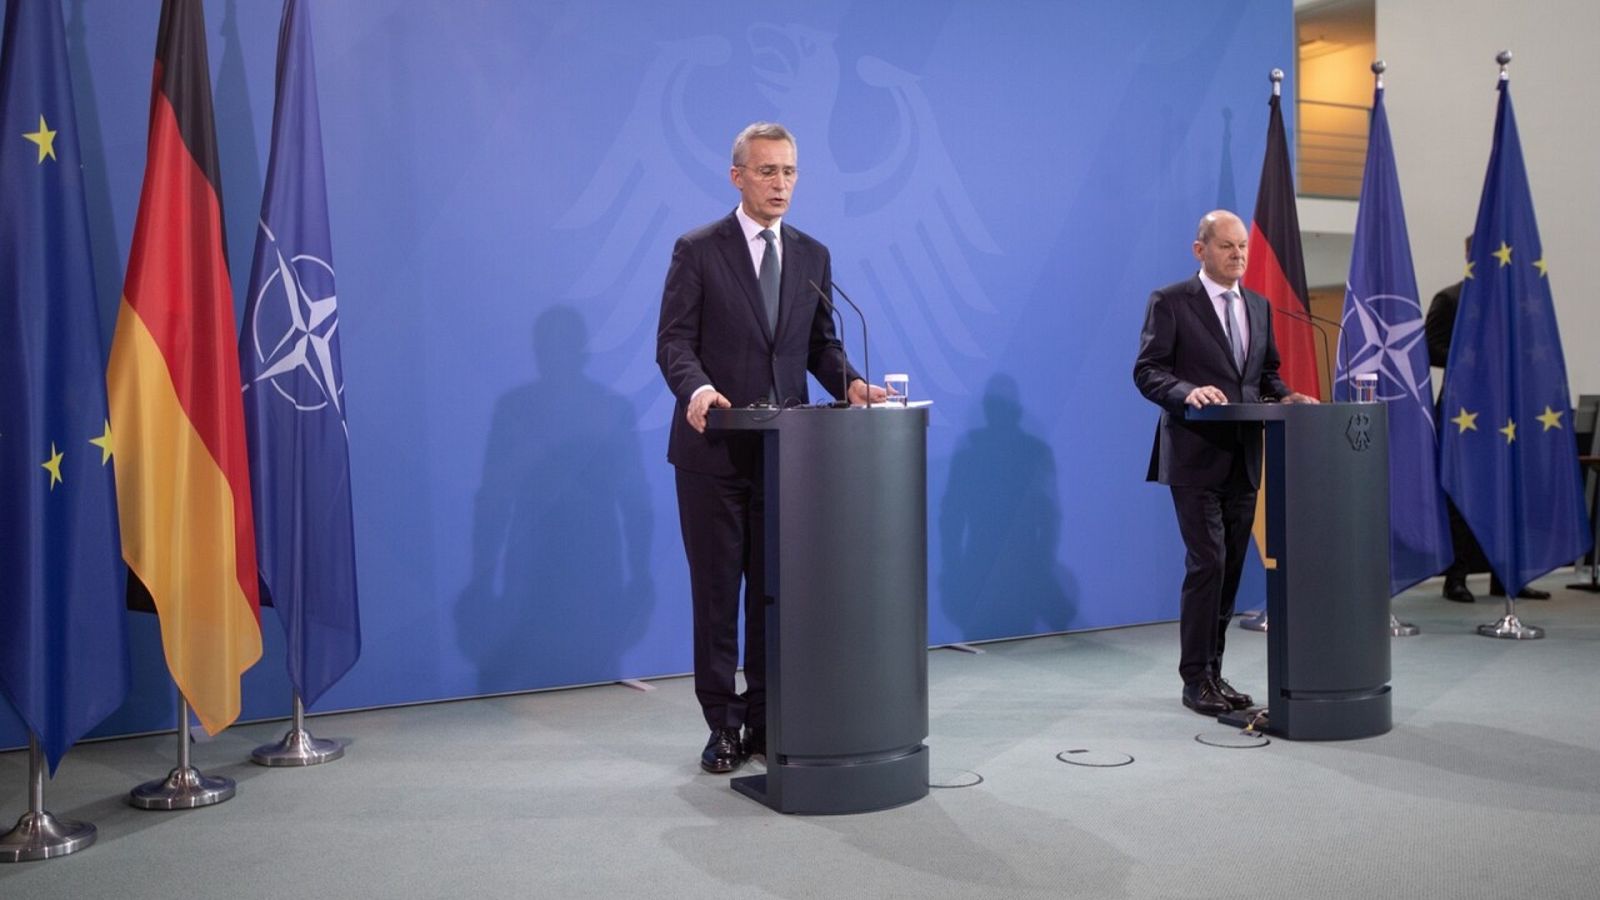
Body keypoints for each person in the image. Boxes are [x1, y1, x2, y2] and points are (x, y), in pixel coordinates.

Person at [656, 122, 885, 773]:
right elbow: (673, 342)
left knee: (773, 594)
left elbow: (820, 346)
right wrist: (697, 390)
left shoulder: (812, 256)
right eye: (766, 171)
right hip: (713, 453)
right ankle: (721, 723)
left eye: (788, 172)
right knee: (718, 593)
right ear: (738, 176)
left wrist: (854, 385)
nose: (780, 183)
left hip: (788, 456)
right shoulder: (698, 250)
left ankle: (764, 716)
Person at [1133, 210, 1316, 717]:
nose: (1238, 256)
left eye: (1243, 248)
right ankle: (1195, 680)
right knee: (1207, 562)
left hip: (1245, 455)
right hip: (1194, 455)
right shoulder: (1170, 302)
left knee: (1231, 567)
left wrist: (1288, 397)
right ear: (1201, 250)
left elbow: (1267, 375)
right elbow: (1147, 372)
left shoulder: (1259, 306)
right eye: (1227, 247)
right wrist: (1189, 392)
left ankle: (1214, 672)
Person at [1424, 238, 1551, 603]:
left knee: (1508, 496)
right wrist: (1473, 358)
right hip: (1462, 415)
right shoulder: (1450, 299)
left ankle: (1507, 577)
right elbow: (1429, 348)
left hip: (1506, 415)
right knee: (1459, 498)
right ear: (1469, 256)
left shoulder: (1514, 305)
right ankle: (1457, 578)